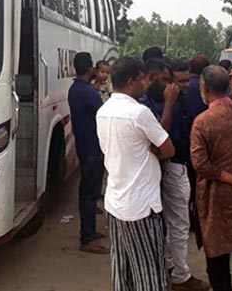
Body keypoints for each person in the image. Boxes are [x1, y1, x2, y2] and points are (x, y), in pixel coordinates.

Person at [96, 57, 176, 291]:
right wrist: (154, 150)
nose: (145, 83)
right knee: (150, 273)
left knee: (123, 269)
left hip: (116, 202)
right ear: (131, 82)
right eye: (142, 79)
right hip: (141, 206)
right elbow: (168, 149)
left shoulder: (103, 111)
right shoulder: (139, 113)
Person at [190, 66, 232, 291]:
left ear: (204, 88)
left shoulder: (202, 122)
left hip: (216, 199)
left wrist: (228, 178)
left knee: (218, 263)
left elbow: (200, 165)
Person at [164, 61, 210, 291]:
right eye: (179, 81)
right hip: (175, 166)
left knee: (174, 222)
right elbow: (173, 142)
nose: (185, 85)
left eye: (186, 80)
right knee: (180, 224)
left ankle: (171, 266)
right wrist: (196, 146)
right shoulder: (170, 107)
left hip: (178, 165)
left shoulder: (180, 102)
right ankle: (180, 275)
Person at [67, 52, 109, 254]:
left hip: (85, 146)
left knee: (87, 193)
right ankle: (88, 238)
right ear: (90, 68)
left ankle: (89, 232)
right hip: (93, 148)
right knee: (90, 194)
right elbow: (103, 114)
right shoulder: (88, 92)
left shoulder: (76, 89)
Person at [139, 58, 178, 130]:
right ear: (153, 77)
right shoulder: (141, 100)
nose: (167, 85)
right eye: (164, 79)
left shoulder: (149, 98)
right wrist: (169, 103)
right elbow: (160, 131)